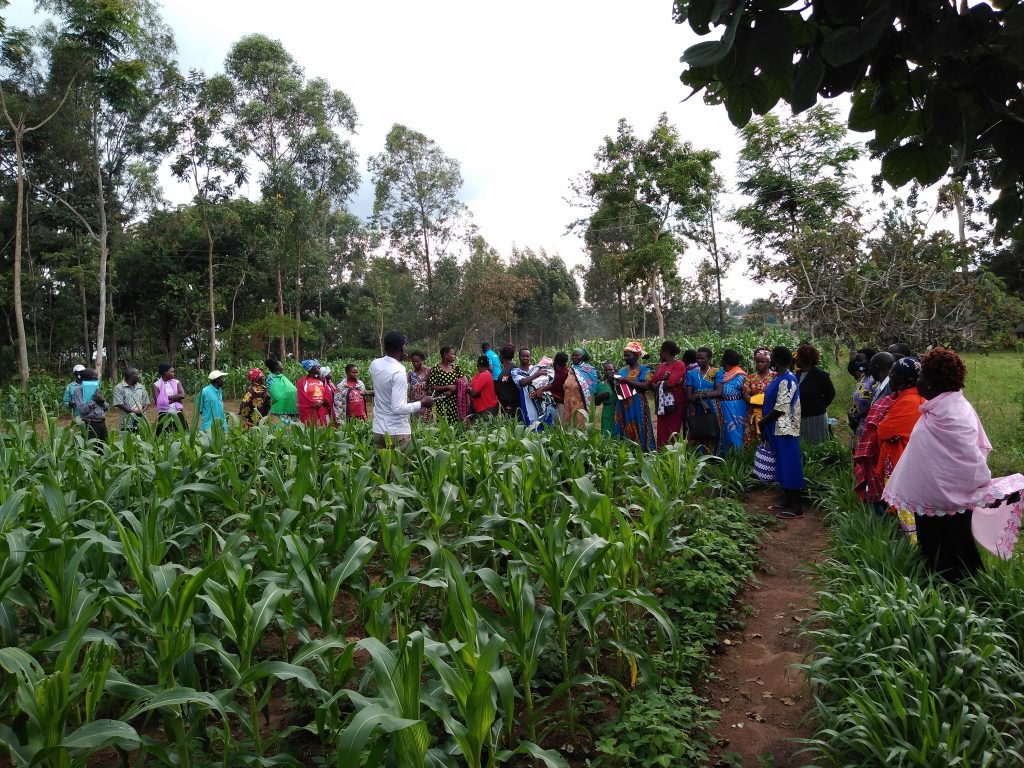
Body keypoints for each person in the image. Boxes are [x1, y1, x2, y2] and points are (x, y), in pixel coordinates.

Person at [882, 348, 1023, 580]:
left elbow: (966, 458)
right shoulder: (943, 407)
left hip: (949, 497)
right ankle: (942, 587)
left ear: (933, 382)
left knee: (954, 547)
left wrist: (973, 485)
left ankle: (961, 589)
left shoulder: (950, 413)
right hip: (934, 495)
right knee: (939, 546)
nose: (918, 380)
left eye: (922, 375)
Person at [874, 357, 926, 538]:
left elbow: (883, 430)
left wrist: (887, 430)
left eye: (894, 374)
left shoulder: (909, 401)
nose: (891, 378)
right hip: (908, 461)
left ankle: (911, 547)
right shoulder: (911, 397)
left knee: (906, 510)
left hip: (901, 461)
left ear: (904, 378)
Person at [759, 346, 804, 519]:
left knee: (790, 464)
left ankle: (797, 506)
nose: (770, 360)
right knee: (782, 464)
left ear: (778, 360)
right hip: (776, 428)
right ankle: (786, 500)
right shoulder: (779, 377)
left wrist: (763, 421)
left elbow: (781, 407)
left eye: (772, 357)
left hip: (785, 429)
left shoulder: (788, 379)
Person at [369, 331, 433, 448]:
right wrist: (422, 403)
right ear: (402, 348)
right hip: (396, 432)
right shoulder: (398, 371)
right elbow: (398, 408)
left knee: (382, 461)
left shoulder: (375, 364)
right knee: (400, 461)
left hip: (378, 430)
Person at [703, 349, 748, 454]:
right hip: (722, 409)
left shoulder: (740, 375)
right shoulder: (721, 373)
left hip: (735, 409)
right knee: (724, 433)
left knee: (735, 432)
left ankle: (738, 456)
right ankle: (725, 456)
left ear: (725, 360)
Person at [614, 341, 655, 451]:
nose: (625, 358)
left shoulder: (644, 369)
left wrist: (626, 381)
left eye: (628, 355)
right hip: (623, 403)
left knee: (639, 424)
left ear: (636, 356)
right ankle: (626, 451)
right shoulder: (622, 370)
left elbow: (646, 386)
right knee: (624, 425)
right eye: (625, 356)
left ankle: (643, 451)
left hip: (638, 404)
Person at [648, 341, 687, 448]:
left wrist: (660, 384)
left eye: (660, 351)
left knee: (672, 430)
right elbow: (652, 382)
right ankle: (661, 452)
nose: (659, 353)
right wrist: (663, 382)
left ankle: (672, 453)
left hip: (674, 405)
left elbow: (670, 383)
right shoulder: (661, 366)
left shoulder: (679, 365)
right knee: (661, 429)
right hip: (661, 404)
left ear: (665, 352)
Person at [795, 343, 835, 444]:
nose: (795, 359)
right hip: (801, 416)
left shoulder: (821, 376)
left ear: (804, 359)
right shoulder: (796, 375)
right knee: (803, 444)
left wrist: (819, 405)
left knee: (817, 444)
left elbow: (830, 394)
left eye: (798, 357)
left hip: (816, 417)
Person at [685, 346, 719, 454]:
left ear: (709, 359)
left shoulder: (716, 372)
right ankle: (699, 457)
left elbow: (719, 391)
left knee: (713, 431)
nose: (699, 360)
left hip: (712, 407)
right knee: (698, 432)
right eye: (697, 358)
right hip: (696, 408)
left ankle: (713, 457)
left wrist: (700, 395)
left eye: (702, 358)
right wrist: (700, 402)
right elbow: (689, 396)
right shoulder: (691, 373)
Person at [511, 348, 555, 429]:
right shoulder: (516, 371)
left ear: (530, 357)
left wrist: (541, 389)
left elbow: (550, 381)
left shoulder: (536, 368)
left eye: (527, 356)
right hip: (526, 398)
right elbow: (522, 383)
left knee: (543, 421)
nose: (525, 358)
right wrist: (536, 375)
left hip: (540, 397)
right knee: (530, 419)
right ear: (519, 357)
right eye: (523, 356)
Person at [743, 347, 775, 446]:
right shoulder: (749, 378)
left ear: (769, 363)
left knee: (770, 440)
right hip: (753, 413)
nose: (759, 364)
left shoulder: (775, 377)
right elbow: (746, 395)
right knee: (753, 442)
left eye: (762, 362)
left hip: (770, 414)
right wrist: (756, 402)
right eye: (757, 362)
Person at [427, 346, 468, 424]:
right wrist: (448, 387)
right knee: (443, 422)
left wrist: (452, 390)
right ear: (445, 355)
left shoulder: (455, 367)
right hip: (442, 401)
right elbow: (432, 386)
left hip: (455, 401)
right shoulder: (435, 369)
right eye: (452, 354)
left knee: (456, 423)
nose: (454, 356)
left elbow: (465, 381)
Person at [73, 368, 109, 448]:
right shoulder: (78, 391)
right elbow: (82, 410)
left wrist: (102, 401)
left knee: (103, 448)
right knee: (92, 448)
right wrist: (93, 400)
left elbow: (106, 408)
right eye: (95, 378)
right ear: (87, 379)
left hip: (102, 423)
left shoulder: (97, 390)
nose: (97, 380)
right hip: (90, 424)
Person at [847, 353, 877, 447]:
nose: (857, 363)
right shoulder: (863, 378)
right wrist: (851, 413)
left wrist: (857, 416)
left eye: (859, 360)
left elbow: (874, 403)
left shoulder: (875, 380)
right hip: (858, 423)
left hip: (867, 424)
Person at [112, 367, 149, 433]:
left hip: (141, 421)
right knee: (127, 439)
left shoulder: (141, 387)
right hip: (127, 423)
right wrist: (134, 413)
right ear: (132, 376)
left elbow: (146, 402)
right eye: (137, 375)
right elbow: (119, 404)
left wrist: (141, 412)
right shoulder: (119, 388)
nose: (139, 376)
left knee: (142, 438)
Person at [153, 363, 188, 434]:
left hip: (177, 412)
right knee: (164, 436)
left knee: (181, 434)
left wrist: (164, 398)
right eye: (171, 372)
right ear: (165, 372)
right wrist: (176, 399)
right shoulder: (156, 385)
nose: (173, 373)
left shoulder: (177, 382)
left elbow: (182, 395)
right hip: (164, 414)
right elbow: (158, 403)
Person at [296, 359, 331, 427]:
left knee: (323, 429)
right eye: (318, 367)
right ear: (312, 369)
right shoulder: (302, 382)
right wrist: (314, 404)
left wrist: (322, 402)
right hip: (310, 412)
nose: (320, 369)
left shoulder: (321, 381)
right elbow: (302, 398)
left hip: (322, 410)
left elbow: (327, 393)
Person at [266, 358, 299, 426]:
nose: (282, 367)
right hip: (280, 411)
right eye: (281, 365)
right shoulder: (271, 380)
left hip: (291, 411)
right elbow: (276, 395)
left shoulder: (282, 377)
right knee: (281, 429)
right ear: (277, 367)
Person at [469, 355, 500, 421]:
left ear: (477, 365)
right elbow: (470, 388)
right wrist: (471, 391)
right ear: (488, 365)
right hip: (484, 409)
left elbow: (473, 392)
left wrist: (470, 391)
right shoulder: (479, 375)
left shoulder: (484, 375)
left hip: (487, 409)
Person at [494, 344, 521, 418]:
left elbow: (504, 382)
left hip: (511, 407)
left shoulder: (513, 369)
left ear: (501, 356)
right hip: (506, 406)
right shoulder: (507, 368)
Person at [407, 351, 433, 423]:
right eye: (413, 361)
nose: (415, 363)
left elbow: (432, 386)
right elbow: (409, 388)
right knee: (415, 424)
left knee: (426, 423)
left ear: (422, 360)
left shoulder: (428, 371)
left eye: (418, 361)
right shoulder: (411, 373)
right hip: (414, 403)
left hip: (425, 402)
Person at [594, 362, 618, 436]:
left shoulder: (620, 382)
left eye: (610, 370)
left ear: (615, 370)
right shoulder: (601, 385)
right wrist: (601, 396)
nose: (608, 372)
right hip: (607, 412)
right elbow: (597, 402)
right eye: (606, 370)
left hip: (619, 410)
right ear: (604, 371)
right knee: (607, 434)